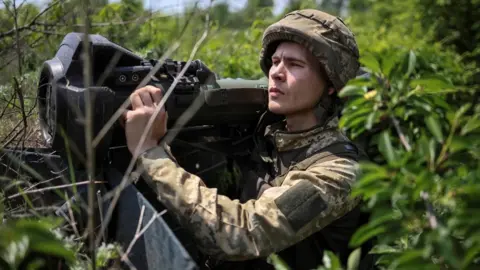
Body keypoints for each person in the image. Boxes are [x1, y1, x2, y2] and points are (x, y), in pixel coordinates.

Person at [122, 9, 368, 270]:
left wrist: (150, 152)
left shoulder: (339, 171)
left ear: (330, 83)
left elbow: (240, 234)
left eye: (295, 65)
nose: (277, 73)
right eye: (275, 62)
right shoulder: (268, 136)